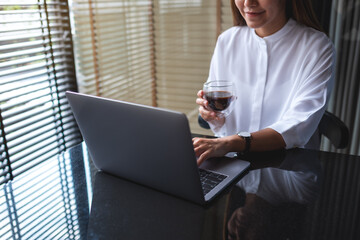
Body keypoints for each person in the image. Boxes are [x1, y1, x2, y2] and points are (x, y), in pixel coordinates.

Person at [193, 0, 335, 165]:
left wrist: (231, 143)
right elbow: (223, 120)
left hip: (289, 171)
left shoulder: (316, 47)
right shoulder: (227, 41)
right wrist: (213, 115)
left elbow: (297, 125)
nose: (248, 3)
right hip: (230, 163)